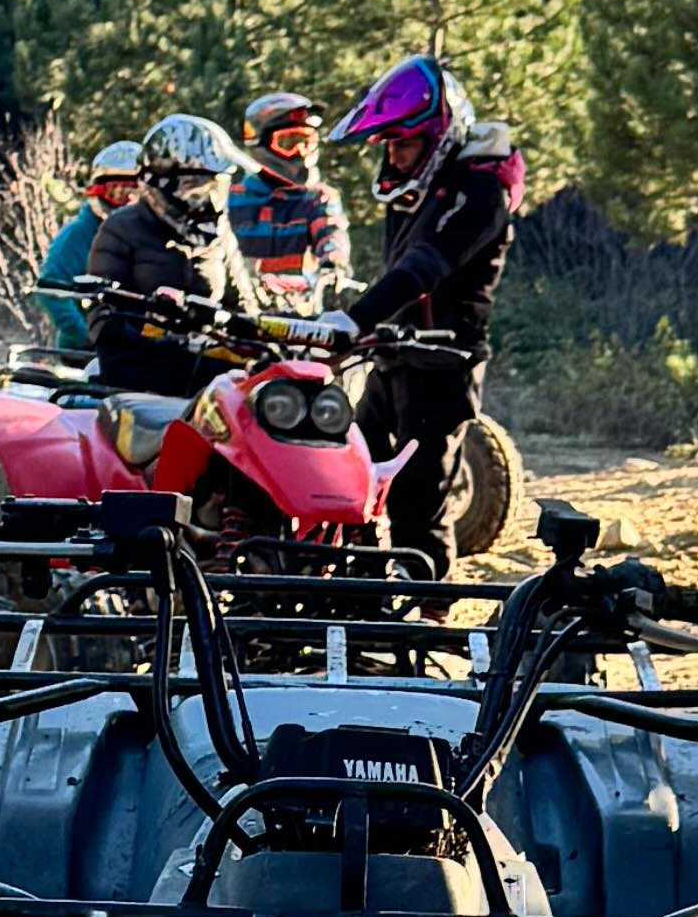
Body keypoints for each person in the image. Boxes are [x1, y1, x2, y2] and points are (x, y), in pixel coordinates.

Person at [333, 55, 527, 559]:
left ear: (438, 136)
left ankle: (432, 613)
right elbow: (395, 272)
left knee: (419, 497)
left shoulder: (480, 192)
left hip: (444, 364)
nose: (395, 156)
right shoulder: (412, 192)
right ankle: (361, 588)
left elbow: (423, 267)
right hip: (393, 357)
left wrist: (353, 320)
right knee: (353, 470)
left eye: (405, 143)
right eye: (389, 144)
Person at [90, 111, 250, 399]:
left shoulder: (220, 235)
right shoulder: (121, 228)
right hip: (139, 375)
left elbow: (245, 306)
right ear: (160, 183)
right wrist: (156, 324)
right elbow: (105, 319)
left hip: (209, 372)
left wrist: (276, 327)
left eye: (215, 188)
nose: (206, 201)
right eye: (195, 189)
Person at [226, 87, 353, 316]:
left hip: (300, 316)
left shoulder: (318, 198)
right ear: (259, 145)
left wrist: (334, 265)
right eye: (289, 142)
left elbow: (332, 235)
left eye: (308, 142)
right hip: (240, 312)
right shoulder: (230, 198)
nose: (301, 152)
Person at [33, 136, 143, 366]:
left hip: (142, 349)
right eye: (117, 191)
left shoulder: (154, 234)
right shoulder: (78, 234)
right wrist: (88, 336)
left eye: (136, 193)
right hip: (88, 357)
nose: (127, 201)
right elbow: (50, 290)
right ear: (98, 191)